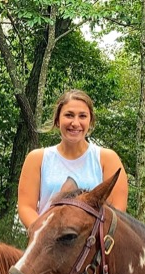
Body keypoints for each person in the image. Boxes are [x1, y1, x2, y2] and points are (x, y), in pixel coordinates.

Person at [17, 89, 129, 228]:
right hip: (46, 245)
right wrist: (47, 231)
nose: (75, 123)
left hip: (92, 245)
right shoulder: (37, 159)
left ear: (90, 121)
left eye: (82, 116)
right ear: (57, 120)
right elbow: (26, 207)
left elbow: (116, 211)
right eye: (69, 115)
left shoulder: (107, 159)